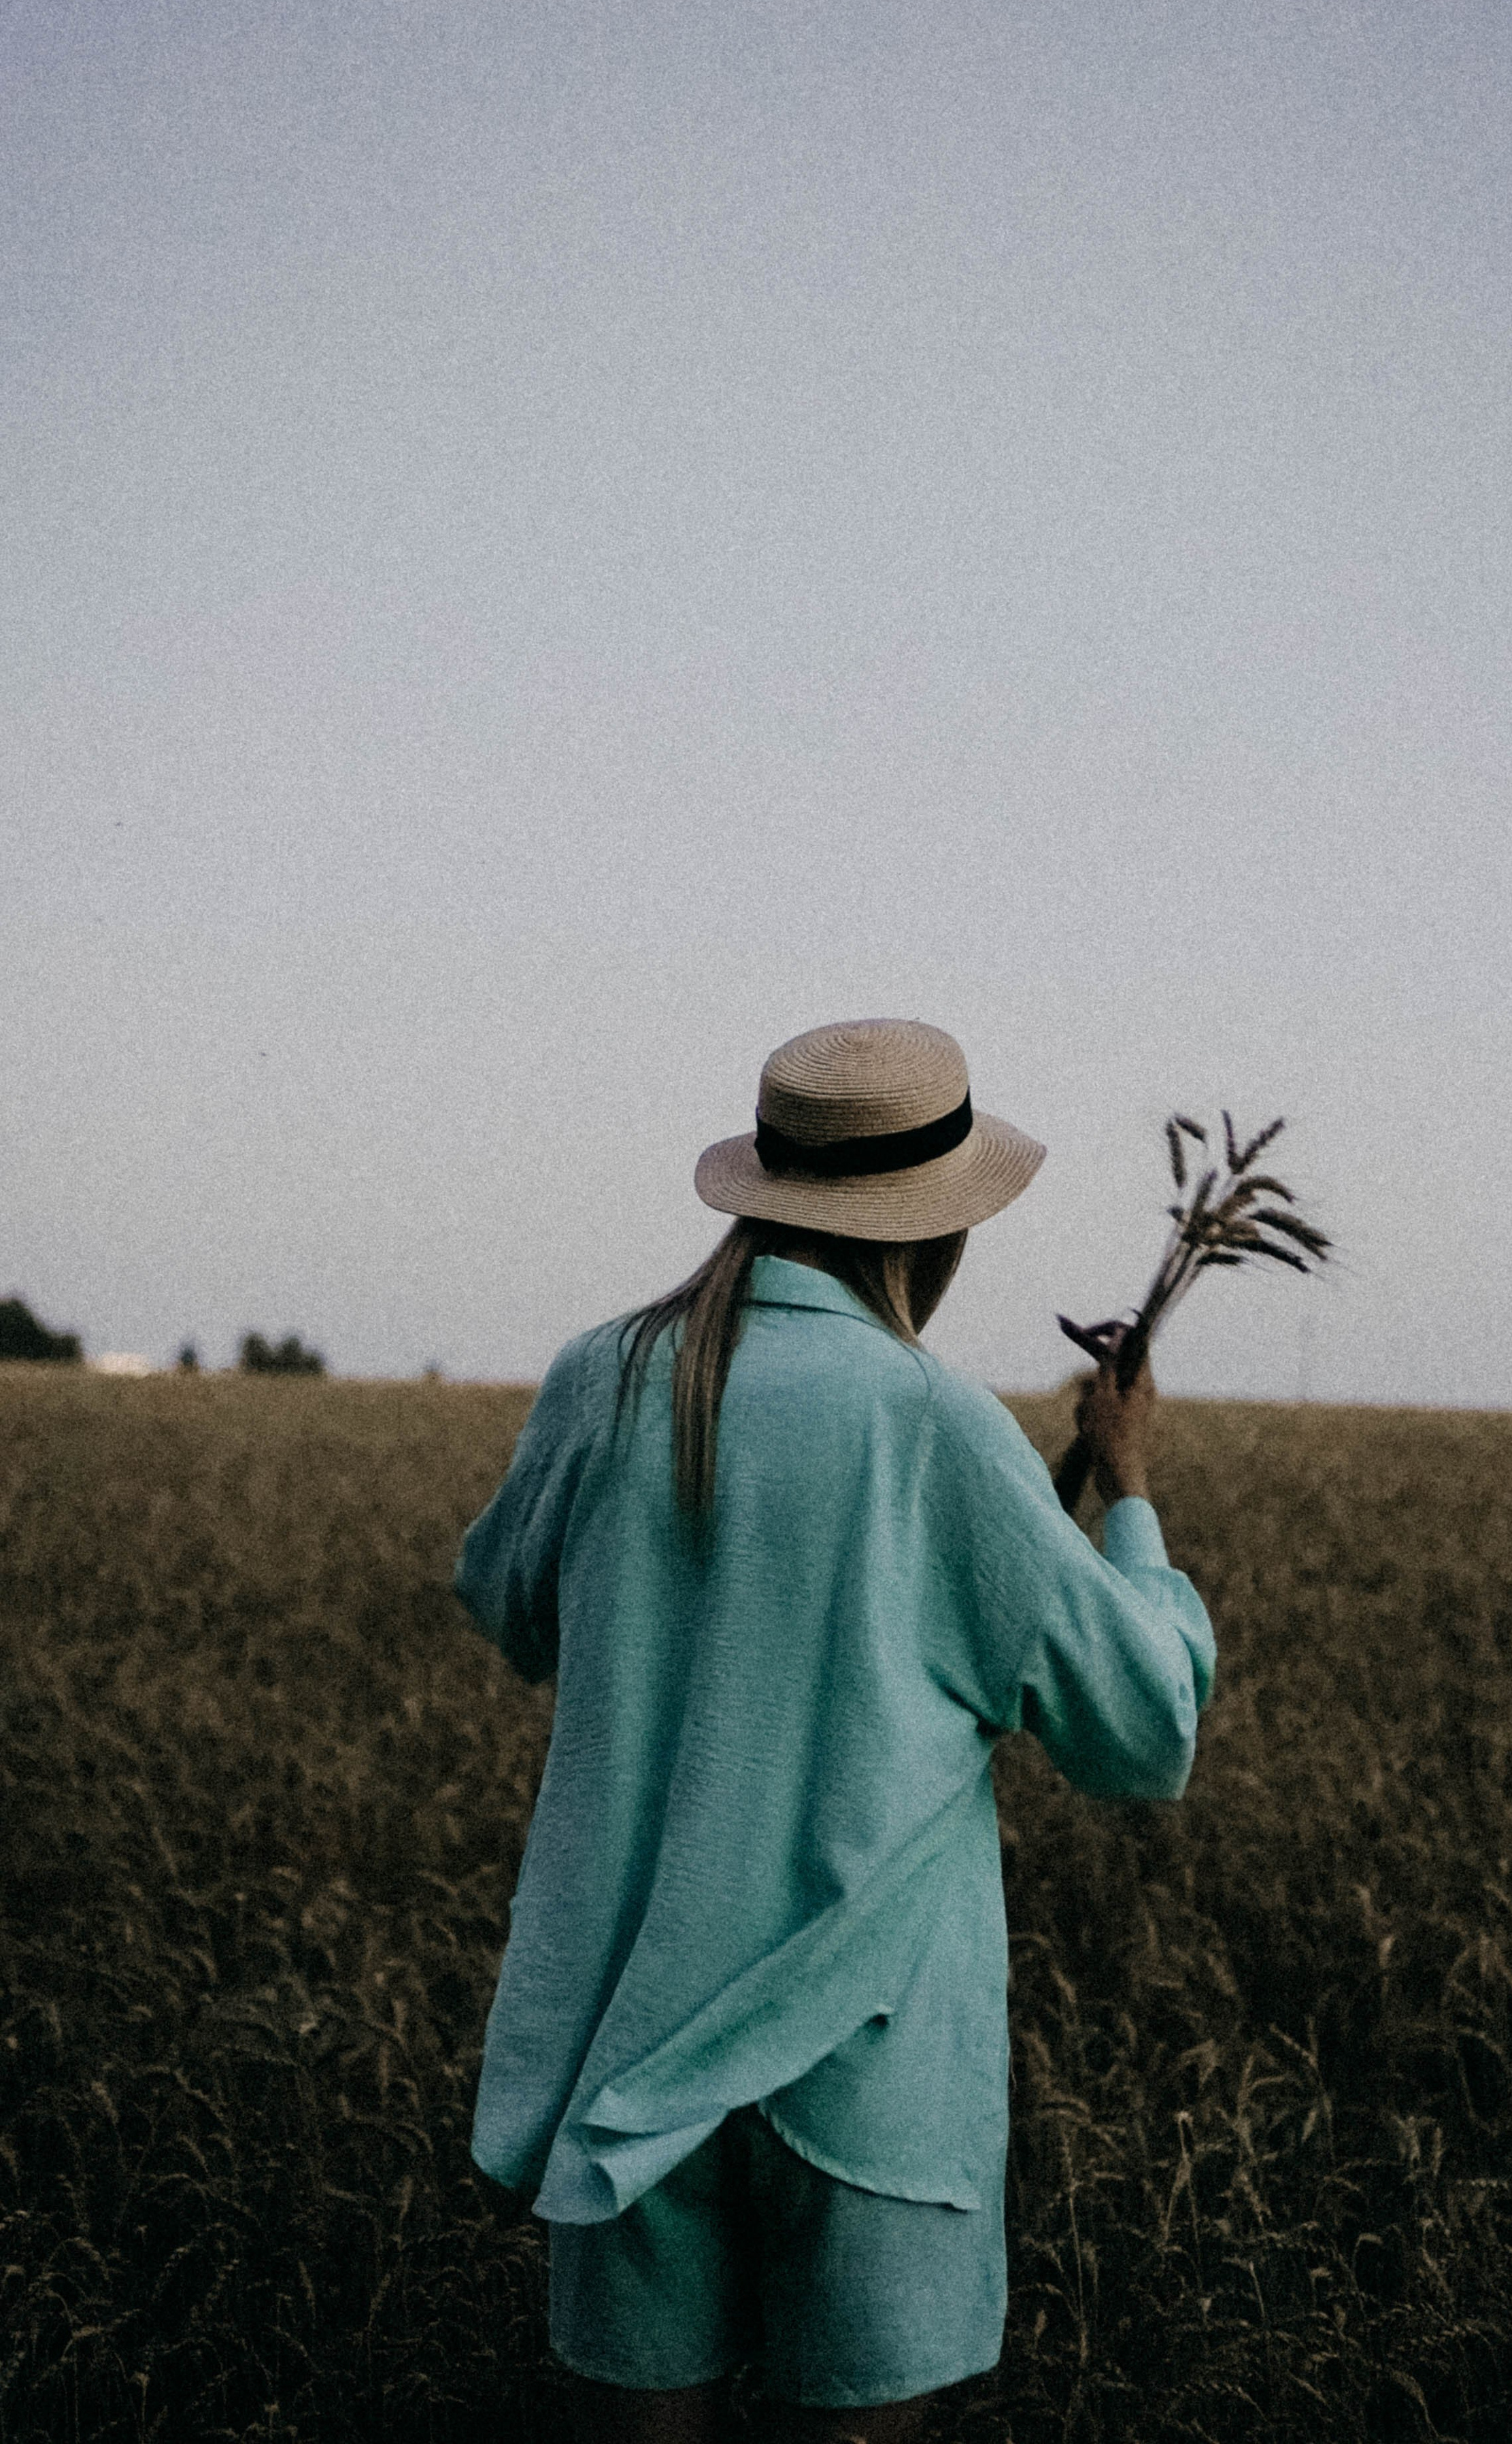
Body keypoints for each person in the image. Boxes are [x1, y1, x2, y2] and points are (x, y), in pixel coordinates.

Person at [455, 1018, 1216, 2444]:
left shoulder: (598, 1379)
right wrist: (1124, 1495)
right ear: (935, 1231)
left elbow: (509, 1606)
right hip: (865, 2064)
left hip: (628, 2044)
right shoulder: (938, 1423)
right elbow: (1143, 1726)